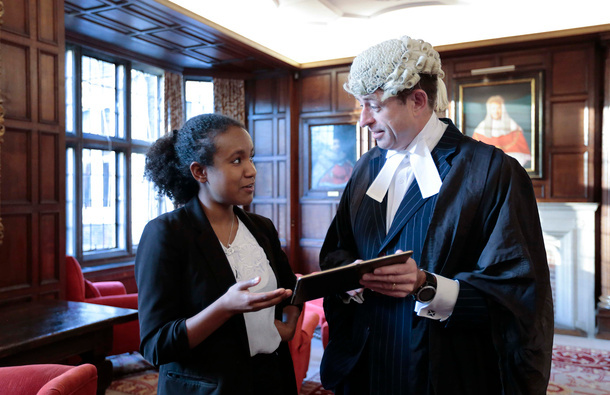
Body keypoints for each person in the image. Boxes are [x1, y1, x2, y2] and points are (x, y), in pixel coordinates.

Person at [319, 36, 553, 394]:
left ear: (417, 100)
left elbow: (517, 295)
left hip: (442, 370)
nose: (363, 120)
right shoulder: (365, 167)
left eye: (373, 106)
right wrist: (351, 278)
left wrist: (426, 285)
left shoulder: (493, 171)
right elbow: (336, 249)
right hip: (364, 364)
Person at [135, 113, 301, 395]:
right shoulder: (165, 234)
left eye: (250, 157)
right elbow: (155, 345)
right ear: (200, 172)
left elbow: (291, 289)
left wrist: (288, 327)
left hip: (271, 380)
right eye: (237, 160)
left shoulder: (262, 228)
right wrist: (225, 307)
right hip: (210, 388)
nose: (251, 170)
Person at [472, 95, 532, 167]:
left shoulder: (513, 127)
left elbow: (522, 154)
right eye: (493, 108)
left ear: (503, 109)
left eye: (498, 108)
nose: (496, 111)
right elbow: (475, 156)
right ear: (489, 110)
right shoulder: (480, 129)